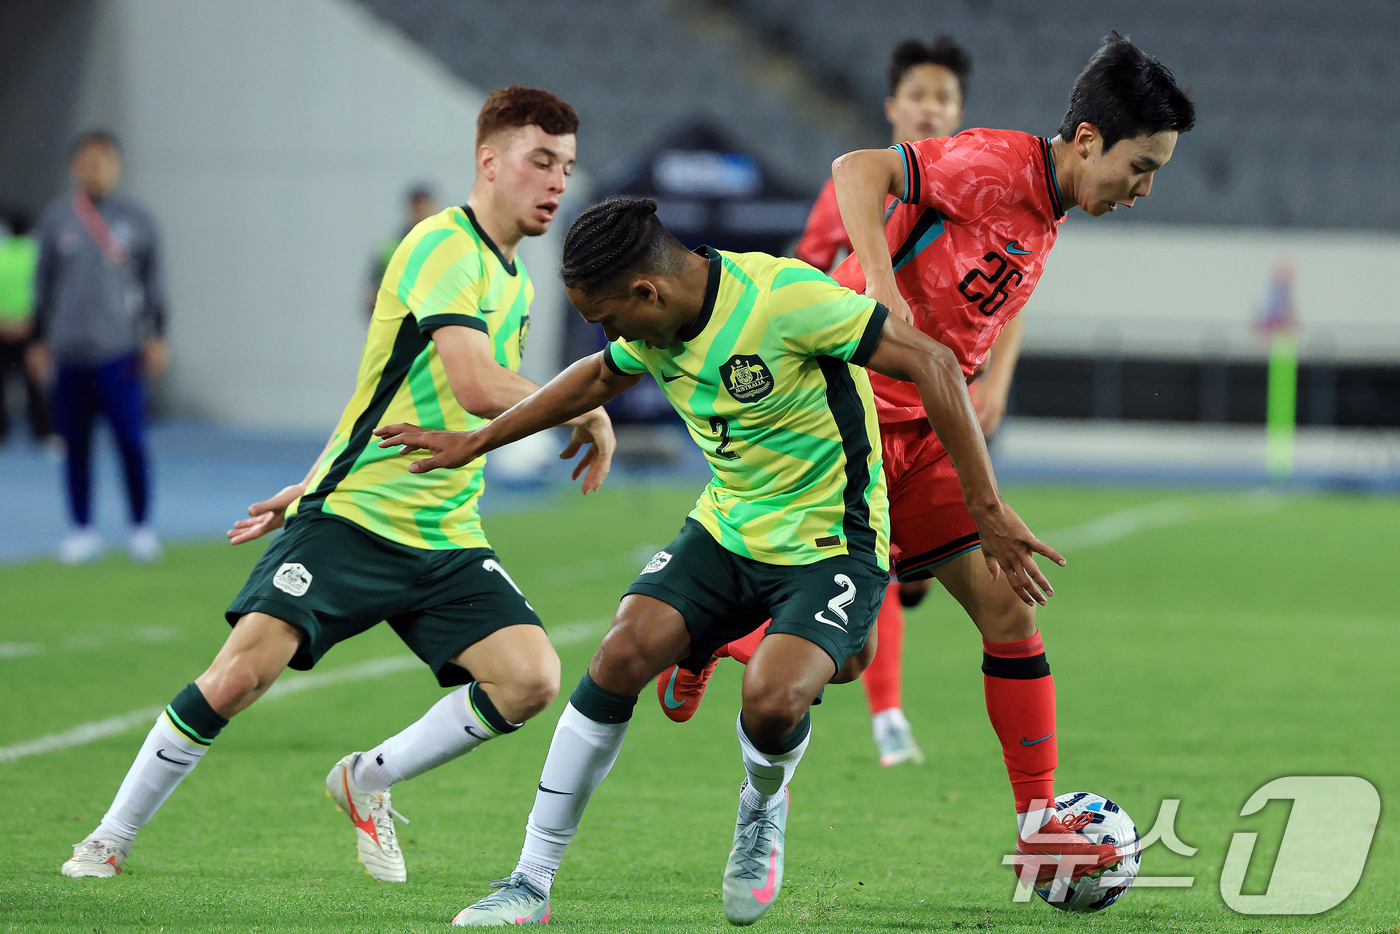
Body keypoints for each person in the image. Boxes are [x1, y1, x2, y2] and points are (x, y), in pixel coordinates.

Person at [371, 196, 1070, 925]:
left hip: (834, 542)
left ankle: (760, 811)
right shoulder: (653, 323)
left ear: (648, 292)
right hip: (727, 529)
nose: (611, 335)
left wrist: (987, 509)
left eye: (609, 317)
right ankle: (529, 881)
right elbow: (595, 377)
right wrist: (476, 441)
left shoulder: (783, 299)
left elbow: (931, 359)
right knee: (618, 655)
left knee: (773, 699)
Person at [656, 32, 1195, 886]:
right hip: (854, 428)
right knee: (853, 652)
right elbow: (857, 170)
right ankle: (705, 638)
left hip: (926, 433)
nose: (1145, 188)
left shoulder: (1049, 207)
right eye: (1142, 166)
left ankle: (1040, 824)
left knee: (1008, 611)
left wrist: (986, 380)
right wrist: (878, 280)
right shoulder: (991, 164)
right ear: (1089, 139)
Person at [59, 86, 617, 886]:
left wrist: (306, 477)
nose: (557, 182)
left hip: (444, 530)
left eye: (566, 165)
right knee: (240, 675)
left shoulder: (515, 277)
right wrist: (584, 403)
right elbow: (471, 383)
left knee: (529, 677)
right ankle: (108, 838)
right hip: (357, 519)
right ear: (488, 162)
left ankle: (368, 781)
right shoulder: (440, 247)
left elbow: (385, 395)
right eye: (541, 161)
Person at [30, 131, 168, 564]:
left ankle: (141, 527)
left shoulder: (138, 219)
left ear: (117, 166)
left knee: (130, 440)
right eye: (87, 161)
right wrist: (39, 340)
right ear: (74, 167)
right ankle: (82, 528)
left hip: (120, 351)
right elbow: (43, 286)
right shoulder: (56, 221)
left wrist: (157, 335)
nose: (95, 169)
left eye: (103, 161)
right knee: (75, 443)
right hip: (70, 352)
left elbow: (154, 284)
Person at [0, 214, 51, 446]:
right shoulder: (36, 253)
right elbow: (43, 290)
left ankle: (2, 433)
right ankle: (42, 432)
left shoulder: (1, 254)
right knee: (34, 384)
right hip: (29, 327)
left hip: (3, 328)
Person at [366, 182, 441, 319]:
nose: (422, 213)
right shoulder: (389, 250)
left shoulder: (446, 249)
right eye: (418, 208)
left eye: (425, 207)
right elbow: (371, 298)